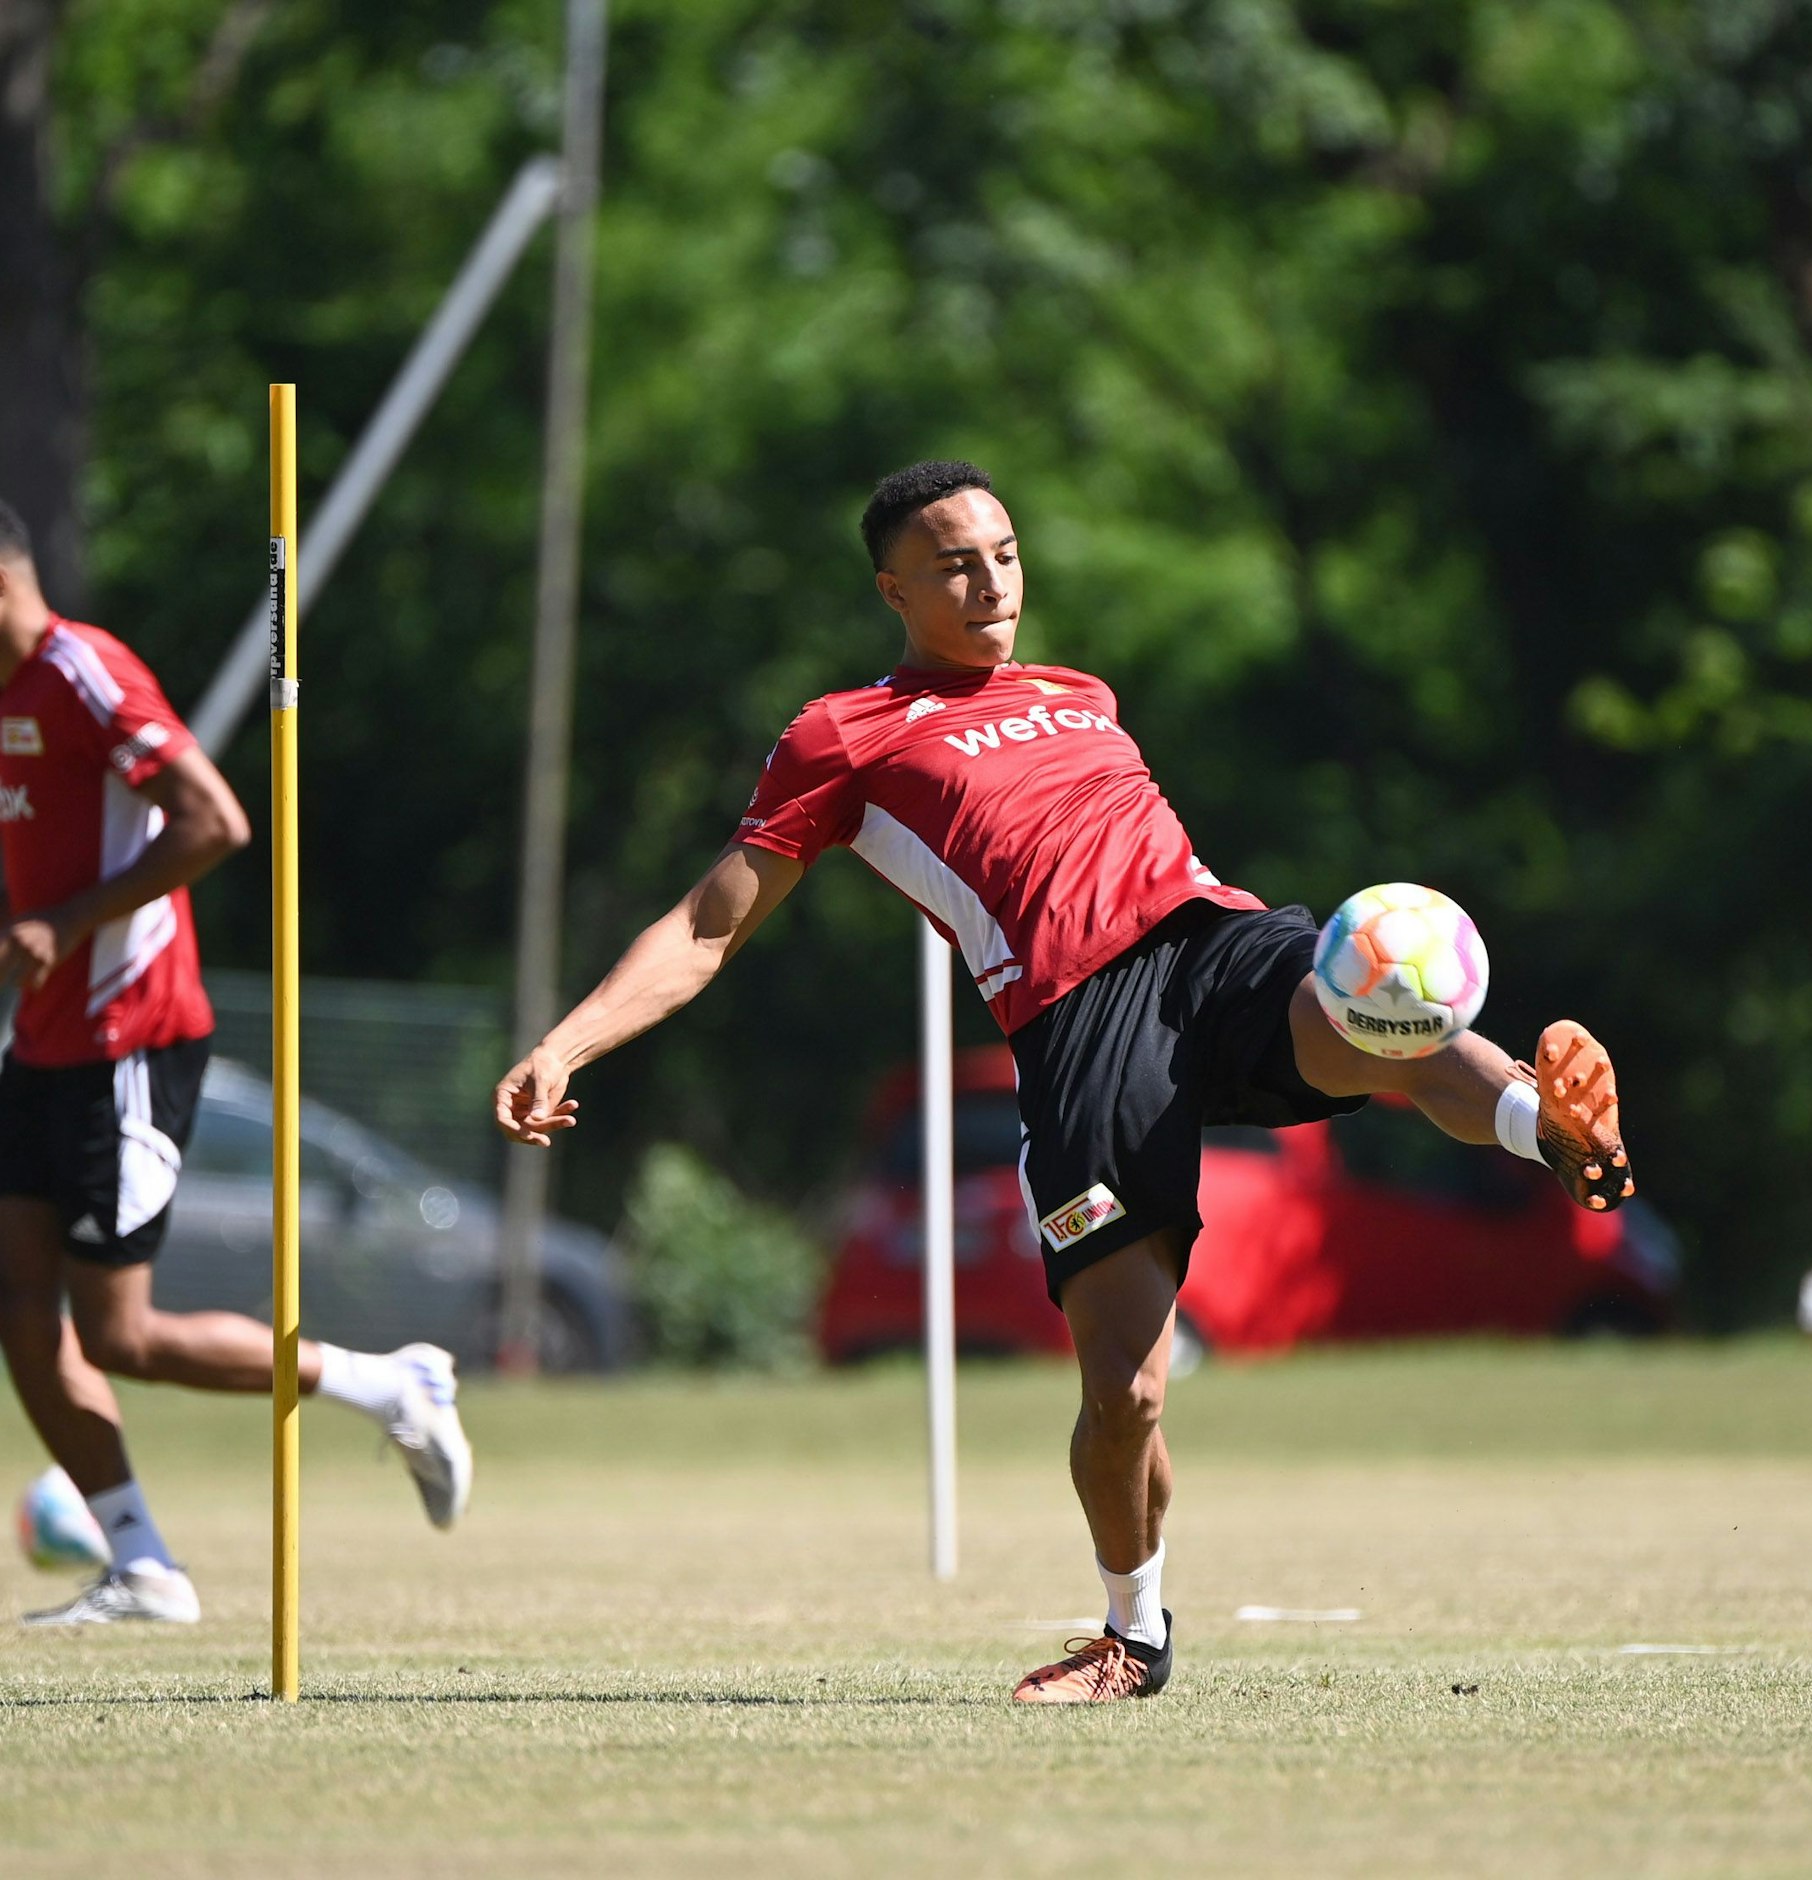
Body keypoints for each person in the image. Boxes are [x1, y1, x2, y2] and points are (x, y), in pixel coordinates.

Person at [493, 460, 1633, 1703]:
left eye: (1004, 550)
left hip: (1209, 938)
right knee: (1124, 1390)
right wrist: (566, 1043)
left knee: (1376, 1002)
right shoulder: (842, 735)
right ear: (893, 589)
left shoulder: (1080, 690)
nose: (991, 579)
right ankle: (1131, 1635)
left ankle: (1549, 1126)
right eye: (952, 563)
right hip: (1079, 1020)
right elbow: (711, 925)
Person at [0, 501, 473, 1626]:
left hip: (130, 1034)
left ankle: (388, 1382)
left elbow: (213, 822)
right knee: (20, 1310)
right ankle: (143, 1566)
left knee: (120, 1333)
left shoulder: (81, 671)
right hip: (42, 1037)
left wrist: (62, 923)